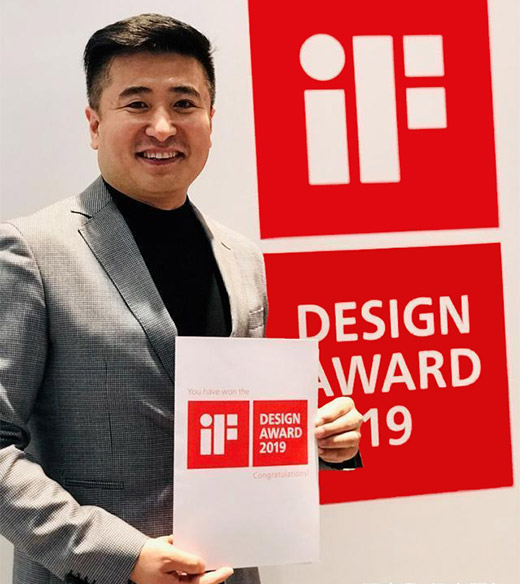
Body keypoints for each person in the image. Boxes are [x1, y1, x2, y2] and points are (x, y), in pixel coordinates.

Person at [0, 14, 362, 584]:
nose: (163, 127)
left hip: (229, 572)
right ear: (95, 123)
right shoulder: (31, 250)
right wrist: (123, 556)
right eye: (137, 104)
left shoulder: (242, 258)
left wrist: (319, 438)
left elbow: (240, 423)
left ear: (211, 120)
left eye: (184, 104)